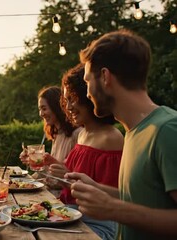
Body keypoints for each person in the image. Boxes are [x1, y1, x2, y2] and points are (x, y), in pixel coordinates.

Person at [67, 29, 177, 239]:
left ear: (105, 77)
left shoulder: (167, 129)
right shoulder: (133, 131)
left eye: (88, 81)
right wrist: (98, 189)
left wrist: (113, 209)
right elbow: (144, 200)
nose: (87, 92)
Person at [49, 64, 123, 239]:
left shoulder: (110, 137)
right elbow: (78, 183)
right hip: (70, 216)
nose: (68, 107)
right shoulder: (83, 134)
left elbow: (113, 198)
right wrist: (62, 173)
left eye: (72, 99)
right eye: (65, 101)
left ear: (88, 97)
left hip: (96, 225)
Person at [20, 86, 80, 166]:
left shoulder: (76, 135)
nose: (41, 114)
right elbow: (50, 173)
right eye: (39, 109)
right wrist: (34, 160)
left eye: (44, 109)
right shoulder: (56, 134)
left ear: (56, 107)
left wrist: (42, 163)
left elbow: (69, 172)